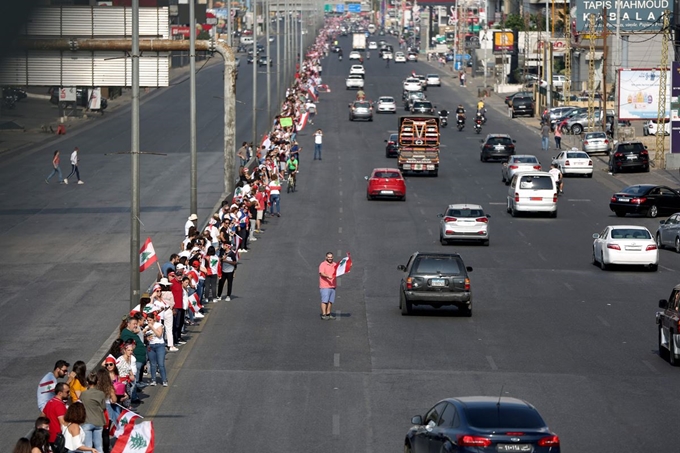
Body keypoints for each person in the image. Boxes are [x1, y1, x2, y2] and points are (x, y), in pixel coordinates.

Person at [80, 372, 106, 452]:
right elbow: (103, 407)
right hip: (99, 421)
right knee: (99, 446)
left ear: (87, 382)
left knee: (88, 447)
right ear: (97, 382)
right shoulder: (101, 394)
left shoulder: (84, 394)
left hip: (87, 421)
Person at [146, 314, 168, 387]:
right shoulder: (147, 327)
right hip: (151, 346)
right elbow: (143, 334)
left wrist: (152, 328)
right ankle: (153, 379)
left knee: (161, 364)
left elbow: (159, 335)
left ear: (154, 319)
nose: (149, 322)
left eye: (150, 320)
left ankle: (164, 380)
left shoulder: (159, 325)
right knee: (153, 364)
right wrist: (147, 338)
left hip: (159, 345)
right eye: (148, 320)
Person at [318, 252, 337, 320]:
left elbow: (340, 270)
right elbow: (321, 273)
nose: (330, 258)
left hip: (332, 285)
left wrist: (348, 268)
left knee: (330, 301)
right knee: (324, 301)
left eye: (331, 257)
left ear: (333, 257)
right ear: (326, 257)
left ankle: (328, 313)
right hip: (325, 286)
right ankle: (323, 314)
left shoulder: (334, 264)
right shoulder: (323, 264)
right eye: (328, 257)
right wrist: (327, 276)